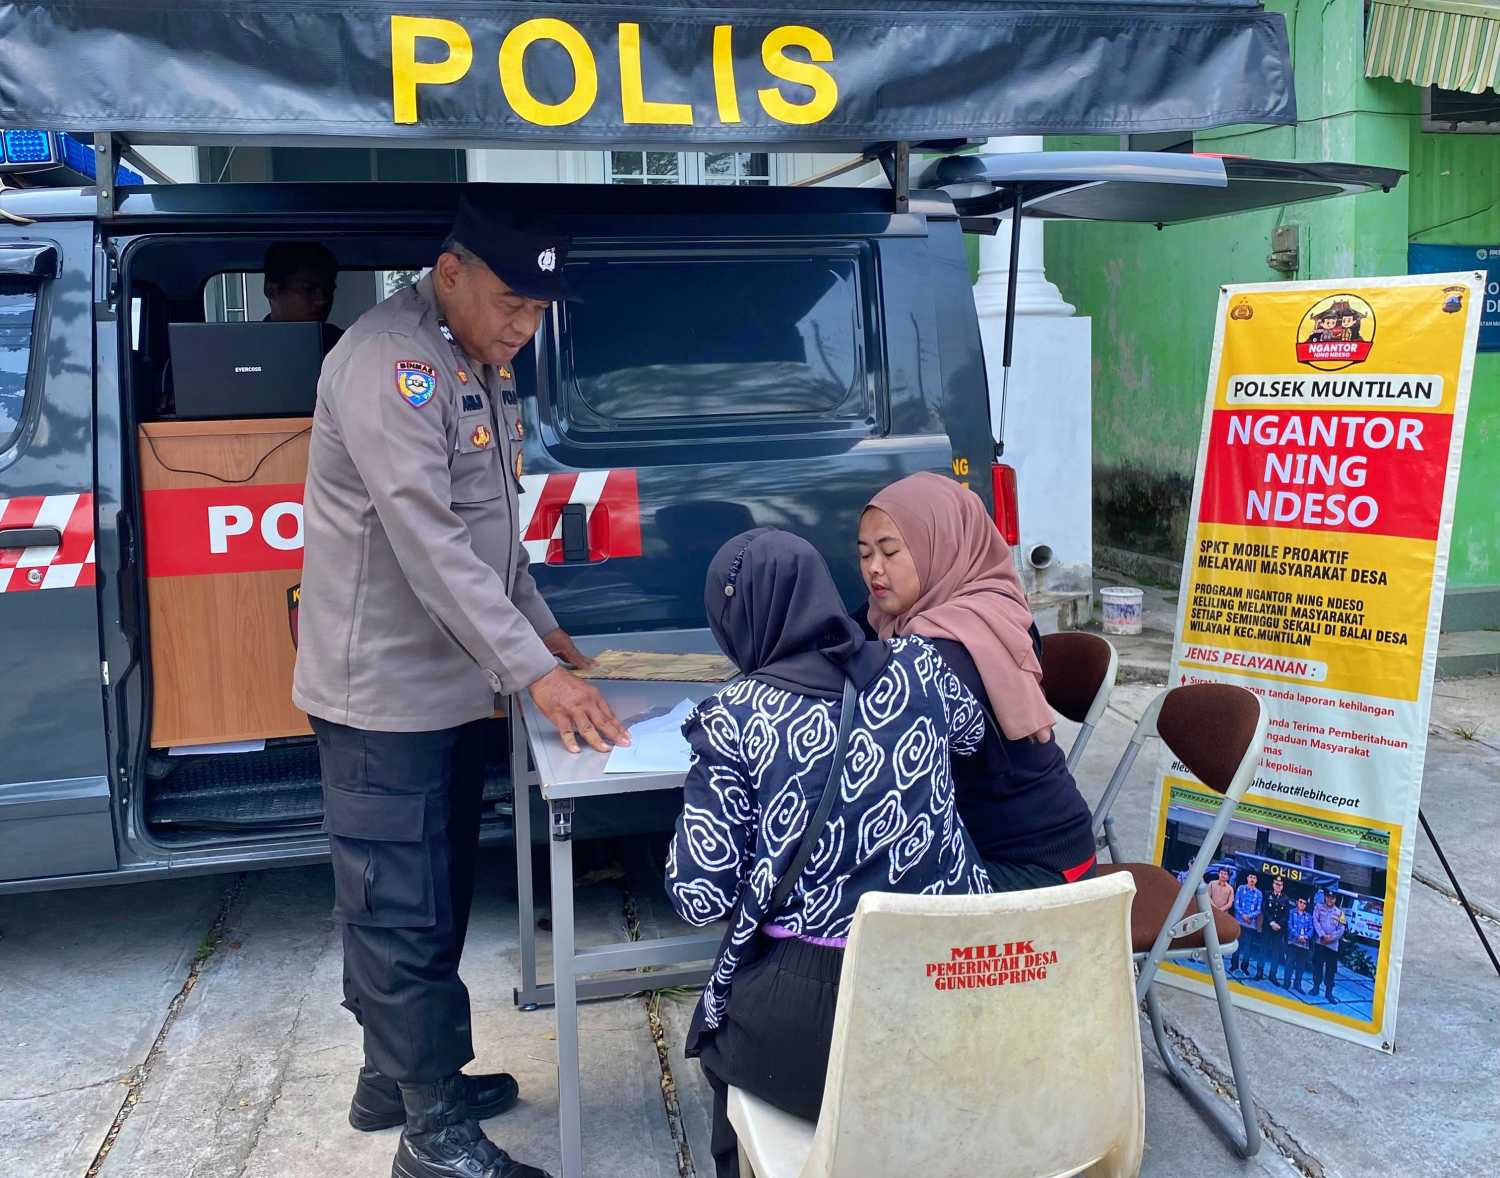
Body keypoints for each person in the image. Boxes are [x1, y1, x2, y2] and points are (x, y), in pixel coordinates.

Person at [294, 199, 631, 1178]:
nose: (525, 327)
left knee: (430, 890)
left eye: (538, 310)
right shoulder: (387, 363)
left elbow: (494, 534)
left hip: (448, 683)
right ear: (450, 271)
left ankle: (391, 1075)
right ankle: (431, 1132)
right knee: (395, 899)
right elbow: (428, 540)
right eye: (512, 302)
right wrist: (532, 670)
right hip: (380, 691)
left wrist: (551, 636)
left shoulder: (471, 363)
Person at [666, 528, 995, 1178]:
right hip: (946, 992)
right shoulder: (919, 665)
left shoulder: (733, 716)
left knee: (723, 1046)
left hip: (813, 1011)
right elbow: (971, 735)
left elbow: (699, 897)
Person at [857, 473, 1096, 889]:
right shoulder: (960, 608)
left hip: (1040, 867)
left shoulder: (952, 649)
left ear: (943, 546)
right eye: (864, 555)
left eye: (890, 552)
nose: (875, 569)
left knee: (859, 900)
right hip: (982, 842)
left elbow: (881, 761)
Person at [261, 240, 344, 353]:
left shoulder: (346, 345)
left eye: (328, 290)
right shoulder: (246, 346)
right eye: (309, 290)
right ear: (271, 290)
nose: (322, 300)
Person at [1313, 891, 1347, 1002]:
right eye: (1328, 897)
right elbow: (1315, 921)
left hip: (1332, 946)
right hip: (1320, 942)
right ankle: (1315, 988)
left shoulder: (1340, 913)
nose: (1330, 900)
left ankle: (1329, 993)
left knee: (1331, 970)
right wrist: (1322, 935)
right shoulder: (1318, 907)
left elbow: (1341, 929)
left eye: (1332, 898)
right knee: (1317, 966)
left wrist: (1330, 938)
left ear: (1335, 899)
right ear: (1325, 897)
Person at [1231, 872, 1263, 977]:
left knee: (1247, 947)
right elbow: (1236, 903)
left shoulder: (1259, 893)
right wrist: (1243, 915)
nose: (1252, 879)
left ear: (1257, 880)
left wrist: (1249, 917)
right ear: (1247, 878)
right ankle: (1234, 965)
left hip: (1251, 924)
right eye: (1250, 877)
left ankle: (1245, 967)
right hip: (1239, 921)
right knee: (1236, 945)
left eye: (1254, 878)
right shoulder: (1241, 888)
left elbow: (1259, 909)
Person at [1262, 876, 1291, 986]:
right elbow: (1264, 909)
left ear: (1282, 886)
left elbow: (1286, 915)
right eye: (1276, 884)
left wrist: (1278, 924)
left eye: (1280, 884)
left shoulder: (1286, 899)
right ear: (1273, 885)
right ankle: (1259, 972)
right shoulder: (1267, 894)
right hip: (1268, 927)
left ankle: (1272, 975)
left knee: (1276, 953)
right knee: (1263, 949)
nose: (1278, 886)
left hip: (1279, 930)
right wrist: (1271, 922)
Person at [1286, 896, 1315, 995]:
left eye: (1304, 903)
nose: (1302, 904)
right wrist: (1297, 936)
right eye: (1300, 902)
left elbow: (1312, 929)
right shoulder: (1291, 912)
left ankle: (1297, 984)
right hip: (1293, 942)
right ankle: (1286, 983)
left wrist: (1306, 937)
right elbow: (1289, 925)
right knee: (1289, 963)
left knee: (1300, 966)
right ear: (1297, 902)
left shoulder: (1309, 916)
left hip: (1304, 945)